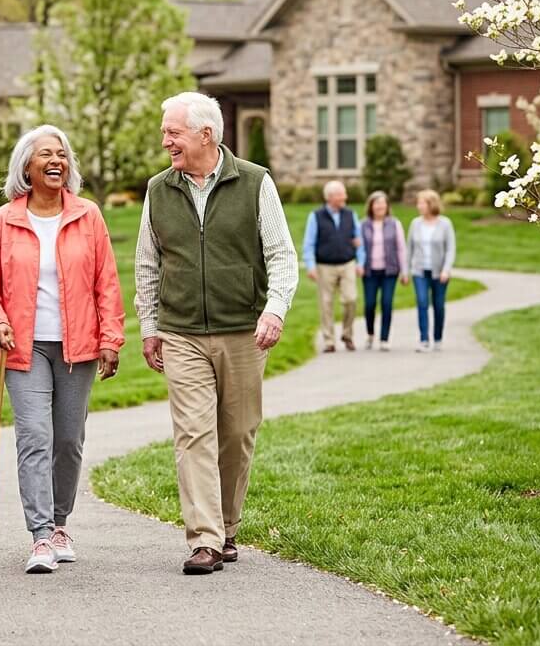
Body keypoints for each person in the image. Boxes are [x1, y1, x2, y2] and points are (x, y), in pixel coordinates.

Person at [134, 91, 298, 575]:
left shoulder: (254, 182)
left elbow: (282, 256)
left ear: (205, 134)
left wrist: (275, 310)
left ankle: (227, 526)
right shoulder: (159, 189)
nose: (165, 141)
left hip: (243, 330)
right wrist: (150, 326)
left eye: (173, 132)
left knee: (238, 433)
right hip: (182, 331)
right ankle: (203, 538)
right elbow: (148, 262)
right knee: (192, 434)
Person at [0, 124, 125, 575]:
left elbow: (107, 283)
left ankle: (60, 524)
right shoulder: (5, 219)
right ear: (27, 167)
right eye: (45, 154)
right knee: (34, 437)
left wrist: (111, 339)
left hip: (78, 346)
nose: (56, 160)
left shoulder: (87, 216)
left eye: (61, 154)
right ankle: (39, 536)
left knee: (68, 440)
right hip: (23, 345)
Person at [301, 181, 363, 352]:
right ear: (331, 197)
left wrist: (361, 262)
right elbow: (309, 243)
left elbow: (358, 240)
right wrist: (310, 265)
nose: (345, 197)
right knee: (326, 303)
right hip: (325, 266)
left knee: (351, 299)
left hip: (348, 263)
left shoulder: (351, 214)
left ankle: (347, 334)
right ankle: (329, 340)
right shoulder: (316, 216)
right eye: (342, 194)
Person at [407, 189, 456, 352]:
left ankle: (438, 338)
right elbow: (410, 249)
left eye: (422, 203)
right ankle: (424, 340)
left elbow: (450, 249)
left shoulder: (445, 224)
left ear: (431, 204)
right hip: (419, 271)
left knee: (438, 305)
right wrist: (405, 270)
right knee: (422, 303)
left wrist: (446, 270)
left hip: (439, 272)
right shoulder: (415, 223)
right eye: (418, 203)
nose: (418, 206)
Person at [359, 191, 408, 351]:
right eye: (376, 203)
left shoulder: (394, 224)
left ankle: (384, 338)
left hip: (390, 271)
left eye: (383, 203)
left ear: (387, 206)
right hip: (370, 271)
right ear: (371, 206)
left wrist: (405, 271)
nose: (380, 206)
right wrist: (358, 264)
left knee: (386, 303)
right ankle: (370, 334)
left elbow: (401, 248)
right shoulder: (363, 224)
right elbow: (358, 248)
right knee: (370, 304)